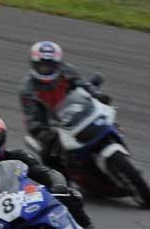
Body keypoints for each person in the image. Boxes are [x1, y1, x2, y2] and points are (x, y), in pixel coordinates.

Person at [20, 41, 112, 172]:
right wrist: (43, 132)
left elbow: (83, 85)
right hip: (53, 126)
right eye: (42, 66)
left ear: (57, 64)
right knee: (51, 156)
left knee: (109, 120)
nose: (46, 69)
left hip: (79, 113)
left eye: (50, 65)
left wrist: (96, 93)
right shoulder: (27, 88)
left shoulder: (66, 70)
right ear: (34, 64)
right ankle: (63, 188)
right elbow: (31, 116)